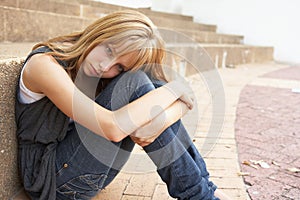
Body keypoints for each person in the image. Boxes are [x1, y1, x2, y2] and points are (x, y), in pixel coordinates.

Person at [15, 10, 230, 200]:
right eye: (109, 50)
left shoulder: (101, 73)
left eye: (119, 67)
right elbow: (113, 128)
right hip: (50, 181)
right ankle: (200, 195)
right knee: (135, 83)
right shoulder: (44, 64)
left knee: (147, 82)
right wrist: (175, 89)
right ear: (101, 32)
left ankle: (204, 188)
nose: (105, 66)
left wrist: (158, 121)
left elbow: (180, 104)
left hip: (90, 174)